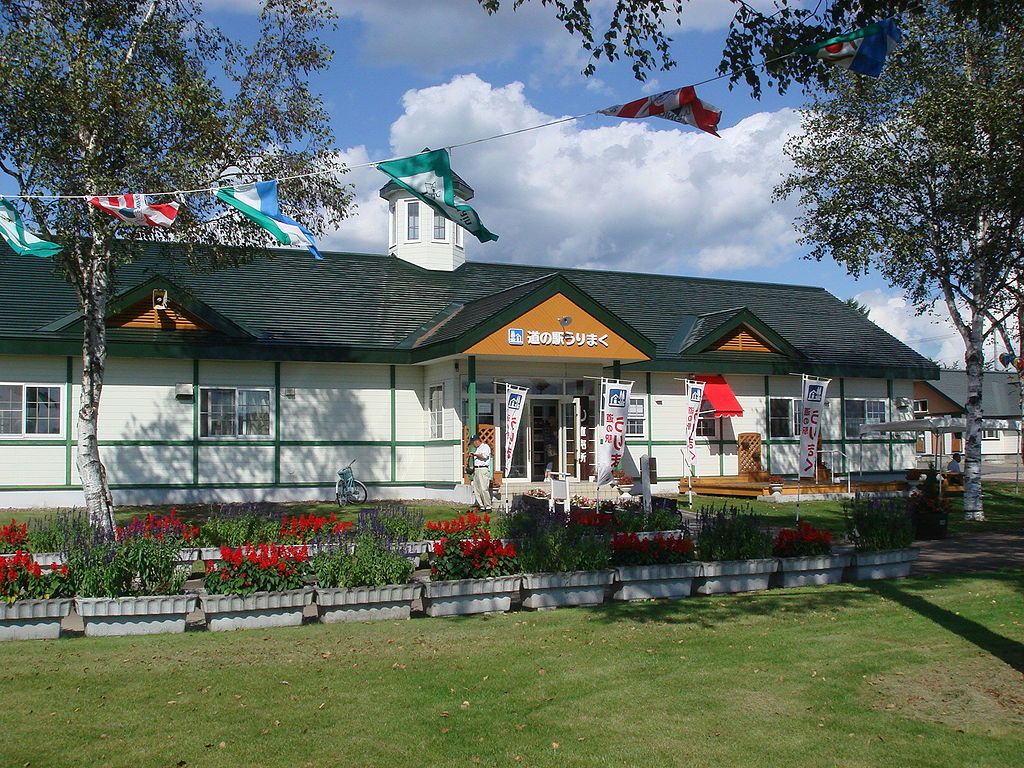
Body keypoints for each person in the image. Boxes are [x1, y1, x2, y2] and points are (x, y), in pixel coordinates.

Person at [470, 434, 492, 511]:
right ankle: (481, 506)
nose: (473, 444)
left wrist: (475, 454)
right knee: (477, 489)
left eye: (473, 442)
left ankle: (488, 506)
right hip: (477, 470)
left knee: (483, 488)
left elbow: (484, 457)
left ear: (476, 441)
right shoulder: (477, 449)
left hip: (483, 470)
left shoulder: (485, 447)